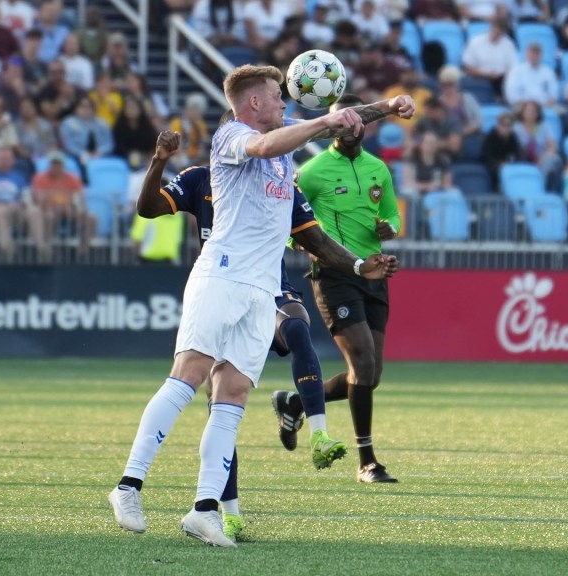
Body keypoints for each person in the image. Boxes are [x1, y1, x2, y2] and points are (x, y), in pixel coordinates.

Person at [108, 65, 408, 547]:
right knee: (188, 377)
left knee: (232, 397)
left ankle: (205, 509)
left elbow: (314, 235)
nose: (285, 103)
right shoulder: (232, 136)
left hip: (262, 290)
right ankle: (128, 485)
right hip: (221, 276)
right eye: (277, 96)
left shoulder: (282, 154)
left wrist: (388, 109)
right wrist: (328, 123)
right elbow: (269, 144)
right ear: (252, 103)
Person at [290, 91, 407, 485]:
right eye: (339, 120)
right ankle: (368, 461)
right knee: (361, 362)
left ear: (365, 123)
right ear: (331, 124)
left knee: (371, 374)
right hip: (334, 276)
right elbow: (288, 224)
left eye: (354, 119)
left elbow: (391, 214)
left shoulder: (378, 169)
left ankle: (294, 402)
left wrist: (389, 228)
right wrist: (313, 248)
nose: (346, 126)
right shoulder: (313, 171)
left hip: (375, 272)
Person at [30, 151, 96, 262]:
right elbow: (39, 200)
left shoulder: (73, 179)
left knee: (92, 218)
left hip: (69, 210)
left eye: (58, 164)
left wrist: (72, 207)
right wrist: (54, 207)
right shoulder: (40, 179)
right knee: (48, 217)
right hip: (48, 211)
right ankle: (45, 251)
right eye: (53, 164)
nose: (56, 167)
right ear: (49, 165)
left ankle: (82, 252)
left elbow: (78, 199)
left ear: (63, 165)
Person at [0, 147, 41, 262]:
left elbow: (26, 197)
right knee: (2, 212)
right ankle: (7, 250)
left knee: (34, 211)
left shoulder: (18, 178)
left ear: (13, 161)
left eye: (8, 159)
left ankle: (41, 250)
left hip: (16, 211)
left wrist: (19, 205)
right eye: (2, 159)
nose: (5, 162)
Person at [503, 43, 558, 108]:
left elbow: (554, 94)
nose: (534, 56)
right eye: (532, 53)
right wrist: (527, 105)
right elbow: (511, 94)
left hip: (544, 105)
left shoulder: (548, 72)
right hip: (522, 106)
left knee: (564, 112)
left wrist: (549, 102)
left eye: (537, 54)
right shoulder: (516, 71)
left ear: (541, 55)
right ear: (526, 54)